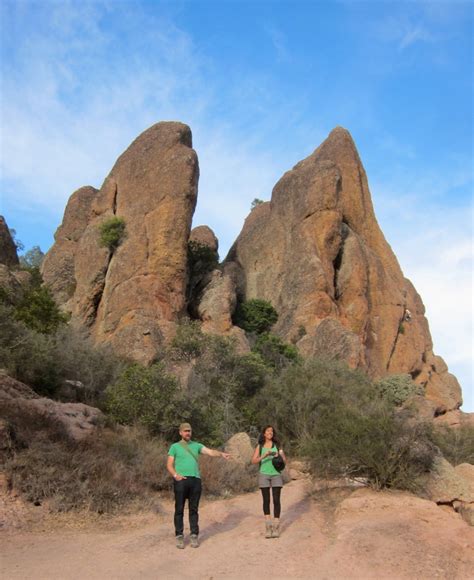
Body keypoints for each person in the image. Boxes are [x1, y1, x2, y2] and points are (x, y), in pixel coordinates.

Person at [167, 422, 231, 549]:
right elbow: (169, 464)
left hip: (195, 480)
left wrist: (221, 454)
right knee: (179, 509)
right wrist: (175, 475)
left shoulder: (196, 445)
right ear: (180, 432)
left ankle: (194, 535)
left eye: (189, 431)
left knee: (194, 509)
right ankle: (179, 536)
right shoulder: (174, 447)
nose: (188, 433)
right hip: (181, 481)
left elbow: (210, 452)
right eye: (185, 431)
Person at [251, 424, 287, 539]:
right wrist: (264, 455)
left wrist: (279, 455)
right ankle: (268, 526)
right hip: (264, 474)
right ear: (264, 433)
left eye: (272, 431)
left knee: (276, 500)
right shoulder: (260, 446)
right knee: (266, 500)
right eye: (268, 431)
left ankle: (276, 526)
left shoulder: (277, 445)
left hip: (276, 474)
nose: (270, 433)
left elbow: (284, 461)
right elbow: (254, 461)